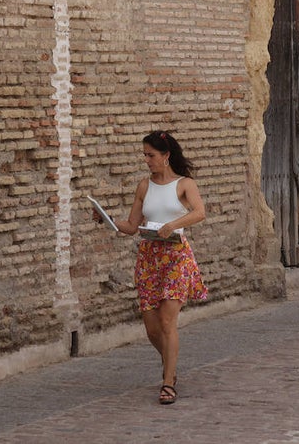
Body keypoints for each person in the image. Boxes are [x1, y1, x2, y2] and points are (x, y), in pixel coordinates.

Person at [94, 130, 208, 404]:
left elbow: (200, 212)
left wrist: (173, 225)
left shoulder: (184, 184)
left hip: (176, 258)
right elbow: (132, 227)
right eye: (144, 155)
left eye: (151, 155)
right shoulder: (144, 186)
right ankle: (171, 363)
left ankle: (168, 381)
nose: (146, 160)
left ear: (166, 156)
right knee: (152, 329)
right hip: (149, 260)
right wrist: (107, 220)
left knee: (168, 321)